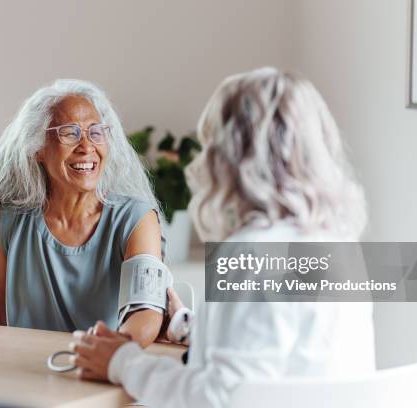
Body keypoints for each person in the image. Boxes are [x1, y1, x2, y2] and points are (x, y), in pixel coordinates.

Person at [70, 68, 376, 406]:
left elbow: (216, 399)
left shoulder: (252, 254)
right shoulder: (335, 242)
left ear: (227, 154)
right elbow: (277, 352)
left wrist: (122, 362)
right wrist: (187, 328)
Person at [0, 79, 165, 347]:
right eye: (70, 133)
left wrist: (105, 355)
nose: (87, 146)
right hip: (24, 375)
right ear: (37, 149)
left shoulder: (136, 219)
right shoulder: (9, 217)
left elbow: (146, 313)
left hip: (103, 367)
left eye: (96, 132)